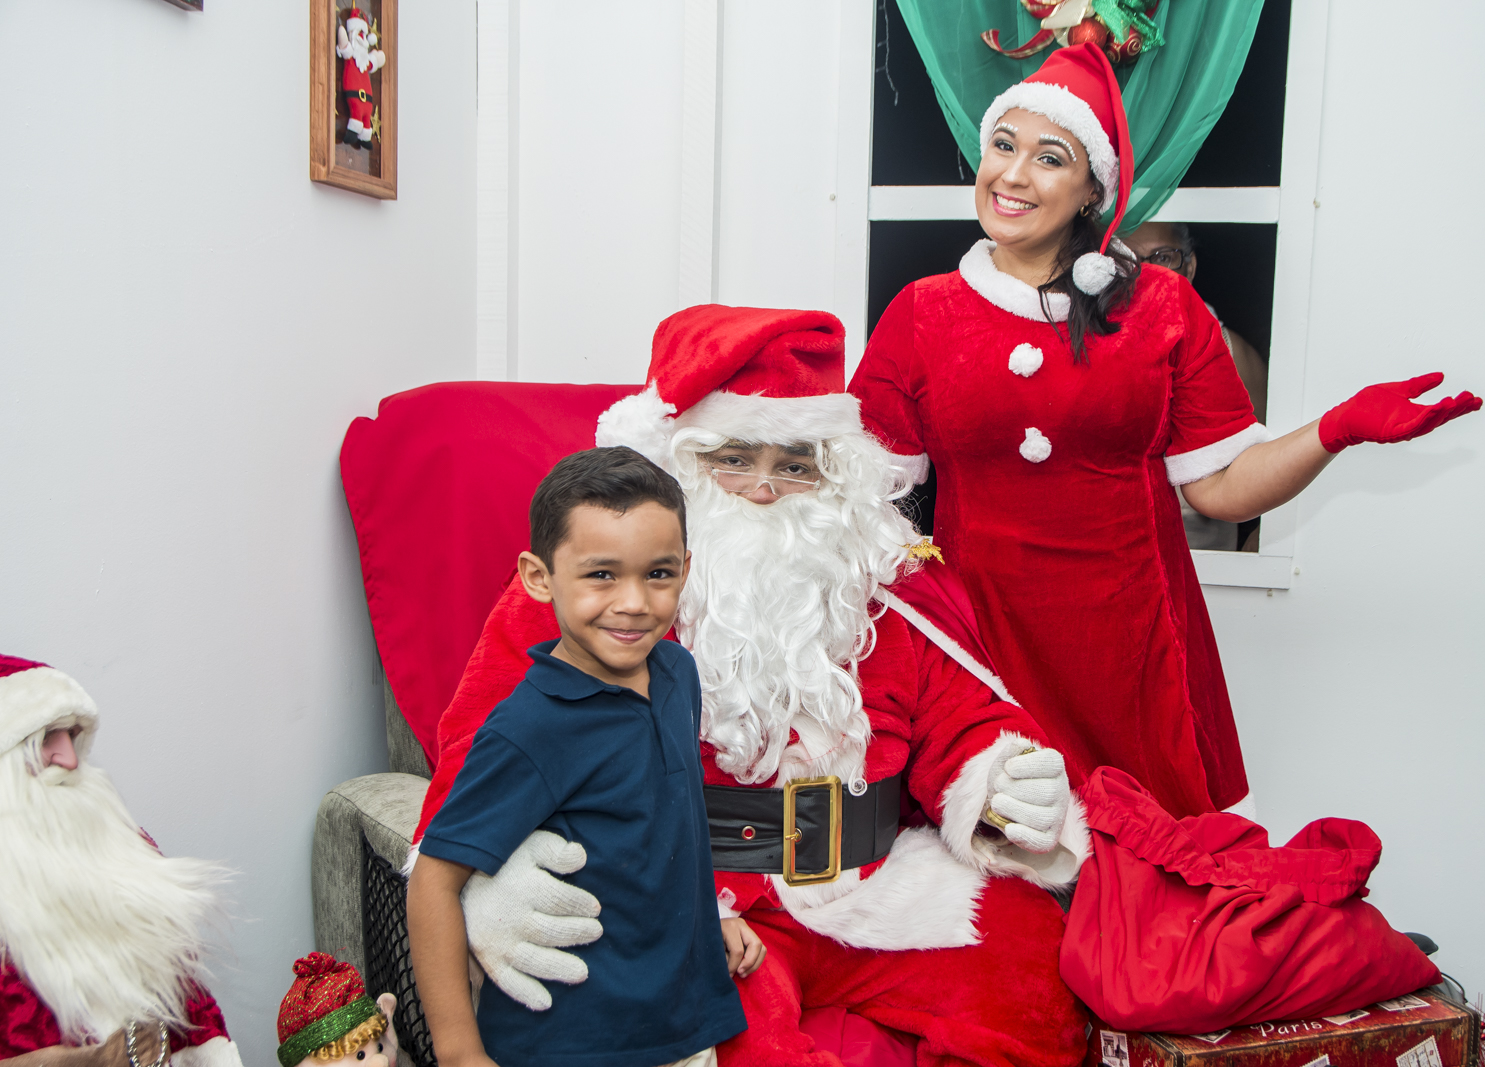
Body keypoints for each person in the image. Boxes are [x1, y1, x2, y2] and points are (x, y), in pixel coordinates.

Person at [408, 306, 1093, 1067]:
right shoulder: (594, 606)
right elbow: (480, 747)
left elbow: (958, 711)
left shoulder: (876, 589)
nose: (765, 490)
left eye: (795, 464)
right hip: (702, 901)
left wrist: (996, 777)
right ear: (681, 468)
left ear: (834, 476)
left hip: (871, 886)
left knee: (1032, 975)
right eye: (734, 458)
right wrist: (492, 875)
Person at [848, 43, 1481, 821]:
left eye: (1049, 158)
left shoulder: (1160, 309)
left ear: (1092, 191)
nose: (1012, 176)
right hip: (983, 646)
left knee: (1158, 892)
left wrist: (1334, 431)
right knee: (1006, 879)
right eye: (1002, 146)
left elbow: (1219, 486)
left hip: (1132, 651)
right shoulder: (922, 312)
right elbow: (859, 492)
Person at [407, 448, 752, 1067]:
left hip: (684, 1021)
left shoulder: (677, 672)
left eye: (659, 574)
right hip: (573, 1039)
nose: (634, 602)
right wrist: (459, 1051)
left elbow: (671, 825)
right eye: (601, 575)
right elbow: (435, 877)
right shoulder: (531, 726)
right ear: (539, 577)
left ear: (686, 570)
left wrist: (710, 918)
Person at [0, 656, 242, 1067]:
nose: (70, 760)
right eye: (44, 738)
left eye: (70, 735)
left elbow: (189, 1007)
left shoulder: (125, 847)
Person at [1122, 219, 1266, 551]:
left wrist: (1257, 549)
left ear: (1189, 265)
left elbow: (1272, 464)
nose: (1145, 272)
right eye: (1127, 257)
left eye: (1163, 256)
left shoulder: (1233, 354)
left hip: (1206, 569)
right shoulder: (1080, 345)